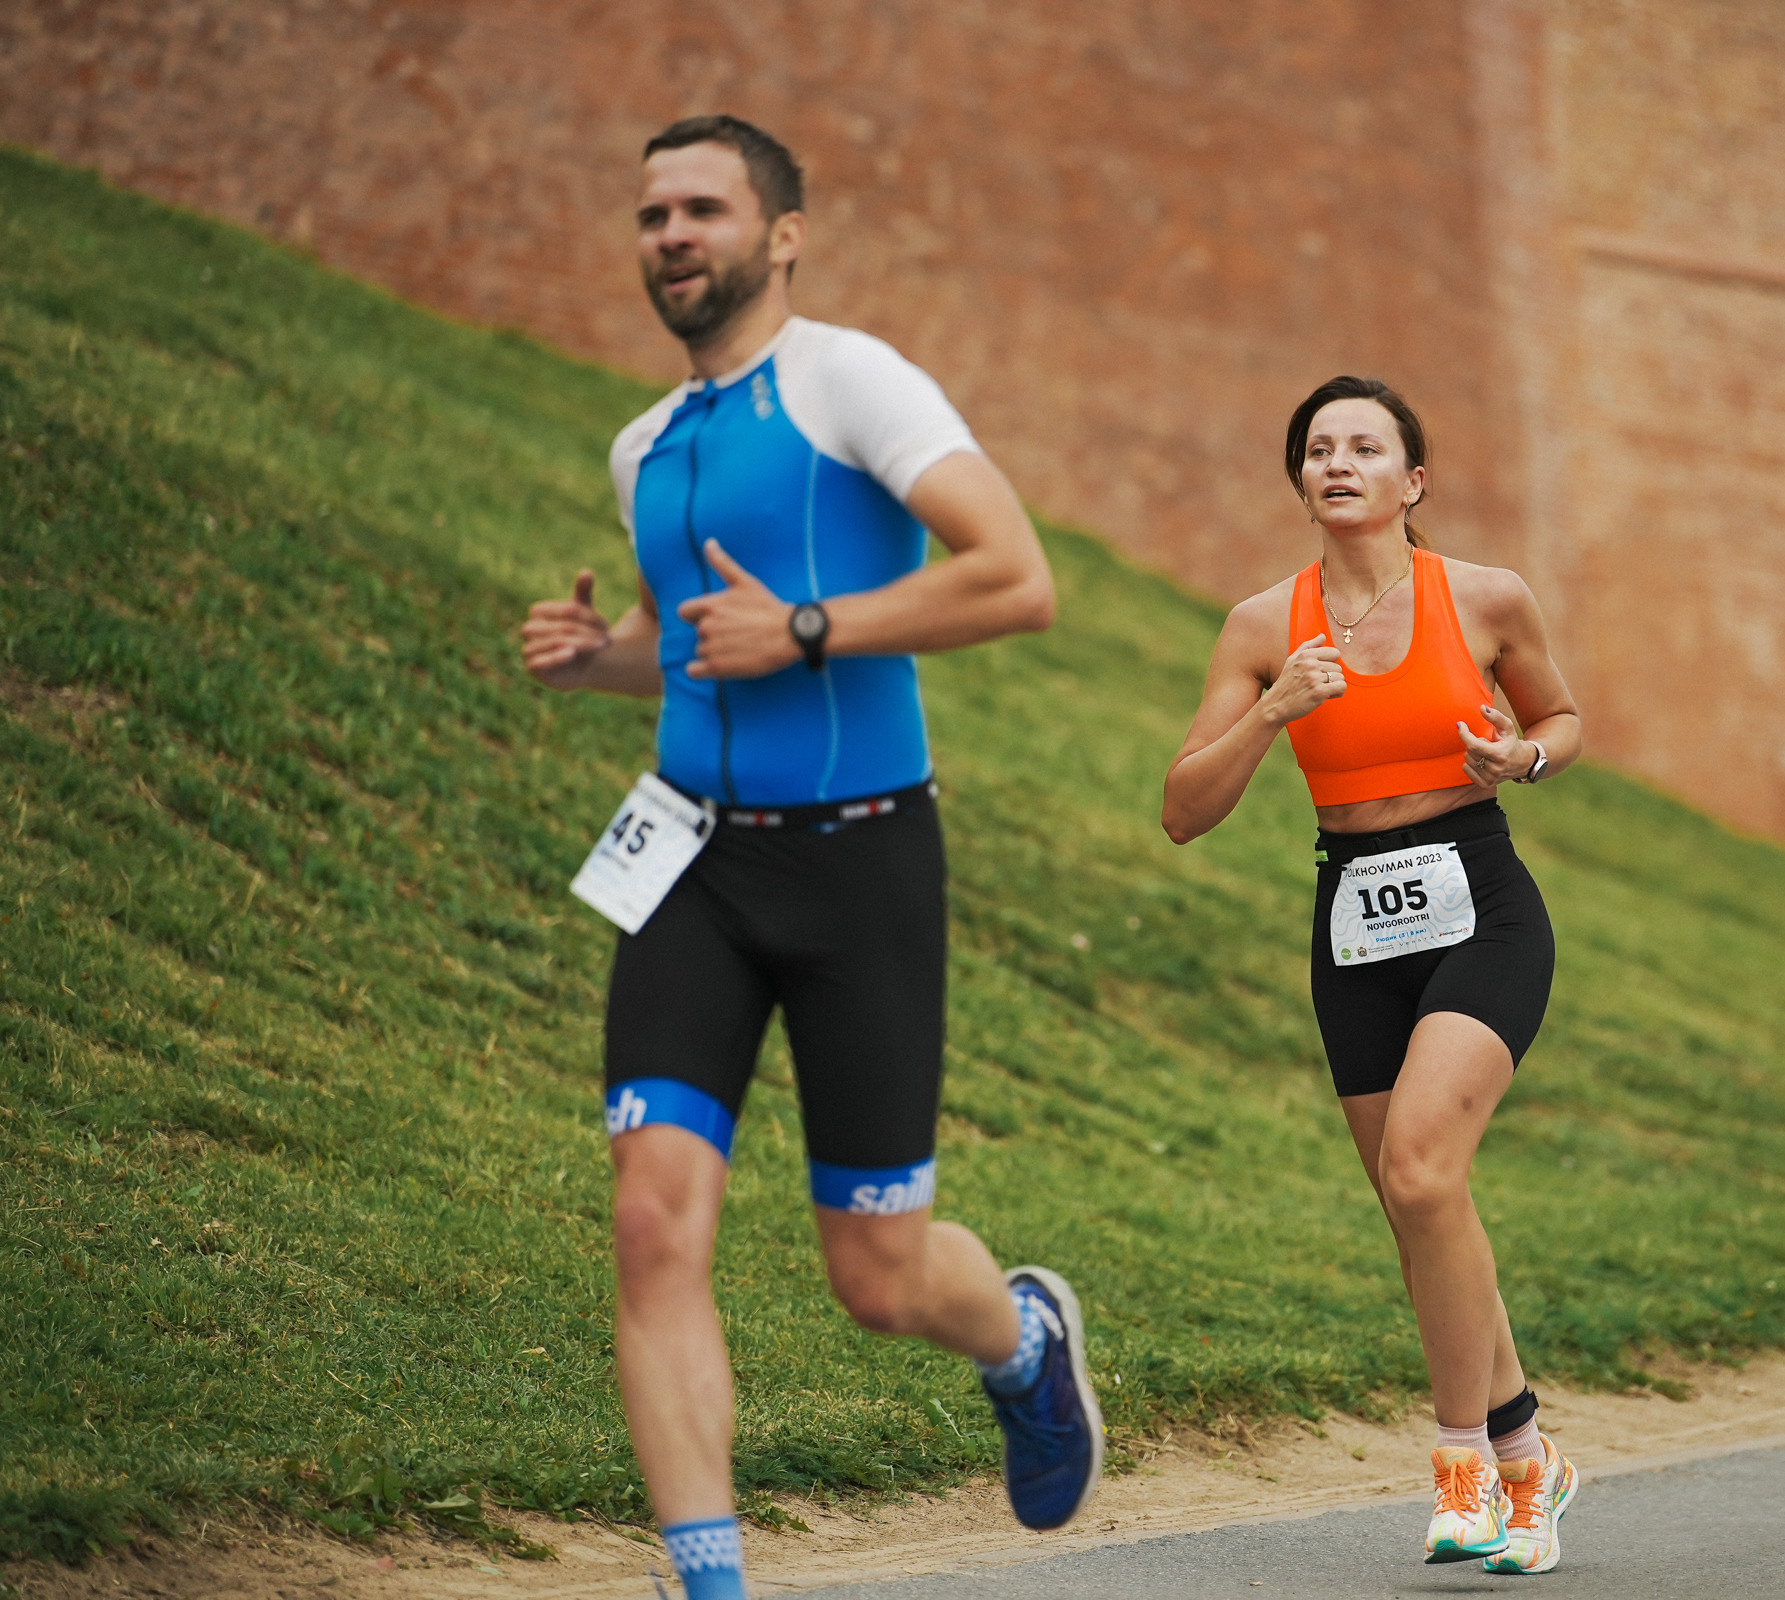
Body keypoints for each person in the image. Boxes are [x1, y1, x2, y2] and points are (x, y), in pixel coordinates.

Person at [519, 115, 1102, 1600]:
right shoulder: (643, 444)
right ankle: (709, 1581)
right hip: (693, 870)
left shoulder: (851, 381)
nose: (672, 236)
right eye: (653, 213)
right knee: (652, 1220)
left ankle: (1024, 1340)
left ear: (780, 235)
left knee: (877, 1275)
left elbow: (1015, 577)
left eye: (703, 209)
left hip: (861, 868)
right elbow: (697, 650)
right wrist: (605, 659)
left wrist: (811, 629)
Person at [1161, 376, 1583, 1573]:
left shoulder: (1487, 597)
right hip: (1351, 918)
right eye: (1317, 449)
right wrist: (1272, 712)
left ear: (1415, 479)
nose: (1336, 462)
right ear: (1300, 480)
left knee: (1420, 1163)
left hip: (1479, 902)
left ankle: (1469, 1474)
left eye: (1365, 446)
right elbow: (1182, 809)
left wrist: (1525, 756)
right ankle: (1530, 1460)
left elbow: (1563, 717)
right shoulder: (1261, 627)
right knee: (1420, 1205)